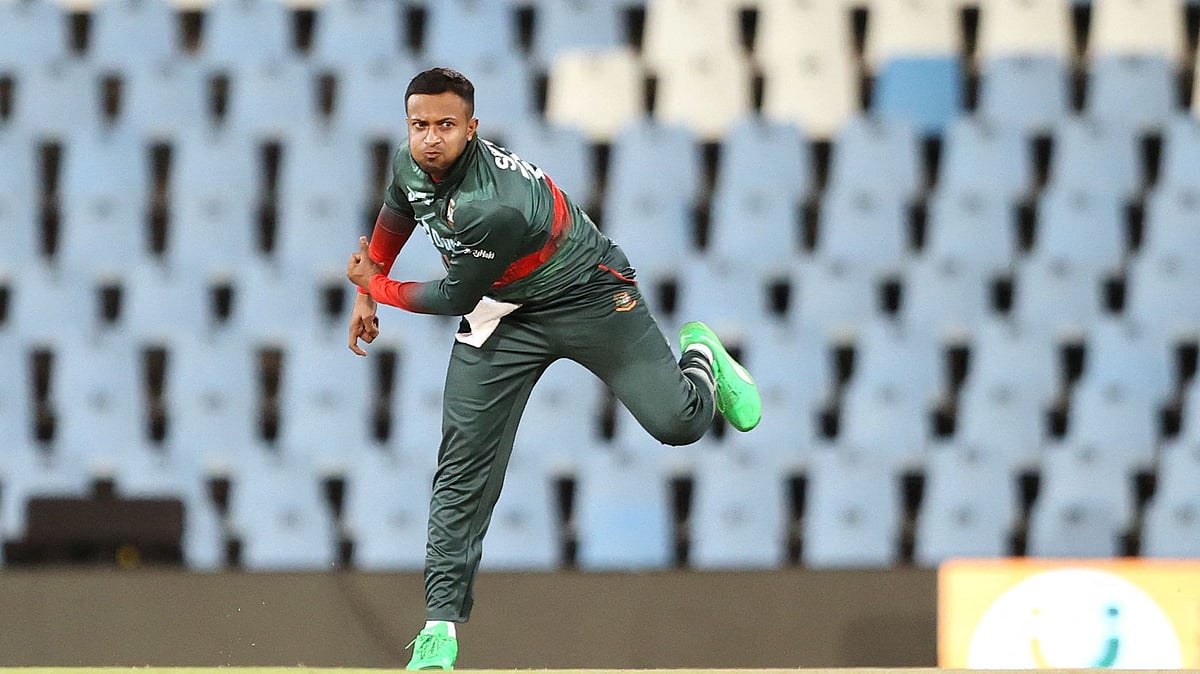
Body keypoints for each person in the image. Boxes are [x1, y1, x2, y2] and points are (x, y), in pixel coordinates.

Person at [344, 67, 762, 670]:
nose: (430, 138)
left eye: (445, 125)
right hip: (505, 310)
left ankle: (701, 355)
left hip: (585, 291)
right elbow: (396, 211)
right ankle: (438, 631)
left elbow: (453, 296)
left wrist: (374, 287)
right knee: (463, 462)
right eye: (419, 125)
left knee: (679, 423)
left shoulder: (494, 205)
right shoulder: (409, 161)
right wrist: (366, 288)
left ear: (472, 128)